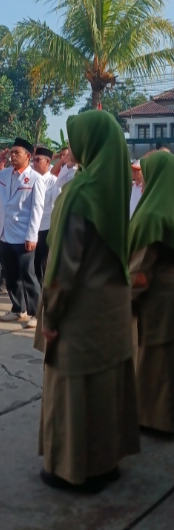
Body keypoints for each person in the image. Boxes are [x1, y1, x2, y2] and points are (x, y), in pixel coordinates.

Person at [35, 110, 139, 493]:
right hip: (111, 309)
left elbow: (63, 265)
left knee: (74, 393)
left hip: (78, 312)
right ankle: (105, 463)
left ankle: (74, 469)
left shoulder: (80, 193)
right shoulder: (116, 187)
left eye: (74, 140)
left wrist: (50, 316)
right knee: (105, 389)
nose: (70, 147)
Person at [0, 138, 49, 328]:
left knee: (28, 276)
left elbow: (37, 209)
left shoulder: (35, 178)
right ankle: (18, 308)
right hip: (5, 233)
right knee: (10, 275)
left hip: (24, 235)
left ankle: (36, 313)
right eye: (12, 152)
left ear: (28, 156)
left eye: (18, 152)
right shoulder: (4, 174)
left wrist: (32, 236)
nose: (13, 155)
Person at [129, 150, 174, 434]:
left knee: (154, 361)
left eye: (144, 173)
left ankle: (156, 420)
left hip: (157, 299)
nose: (141, 180)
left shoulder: (153, 214)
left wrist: (123, 300)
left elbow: (140, 270)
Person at [33, 146, 57, 283]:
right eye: (34, 160)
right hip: (32, 227)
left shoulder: (54, 181)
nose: (34, 163)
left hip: (45, 227)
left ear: (47, 162)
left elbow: (56, 206)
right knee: (33, 263)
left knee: (43, 263)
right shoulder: (31, 178)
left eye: (38, 160)